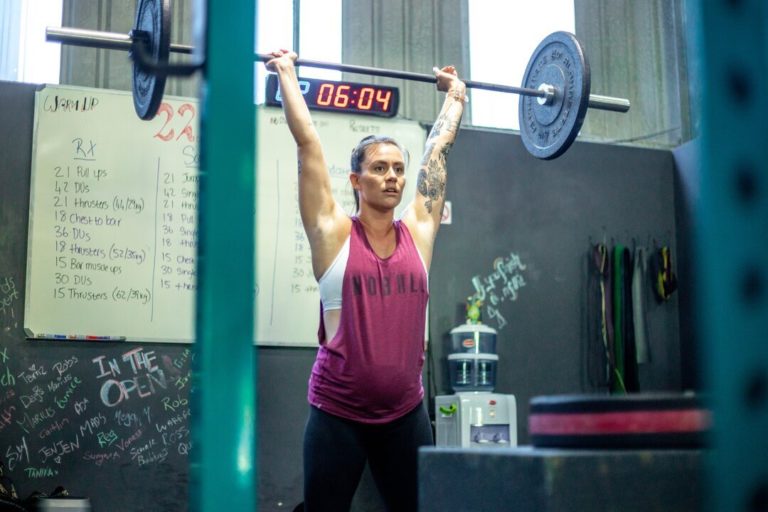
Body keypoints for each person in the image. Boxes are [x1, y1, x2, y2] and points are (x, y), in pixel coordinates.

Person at [266, 49, 466, 512]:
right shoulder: (333, 232)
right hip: (337, 412)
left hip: (405, 413)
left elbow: (437, 153)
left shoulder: (418, 232)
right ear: (356, 180)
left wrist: (455, 96)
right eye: (379, 168)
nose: (392, 177)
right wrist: (287, 74)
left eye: (398, 169)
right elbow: (308, 145)